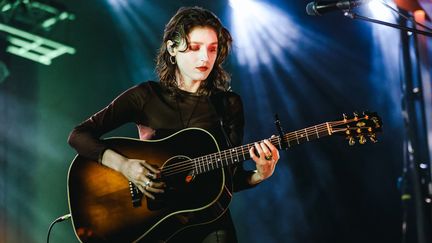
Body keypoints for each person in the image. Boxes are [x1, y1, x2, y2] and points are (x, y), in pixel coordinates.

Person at [68, 6, 279, 243]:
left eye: (212, 49)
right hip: (155, 222)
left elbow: (230, 178)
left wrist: (260, 174)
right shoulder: (145, 96)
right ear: (172, 48)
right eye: (194, 47)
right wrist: (125, 166)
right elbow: (78, 135)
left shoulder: (228, 104)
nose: (204, 58)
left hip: (210, 222)